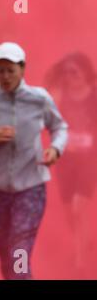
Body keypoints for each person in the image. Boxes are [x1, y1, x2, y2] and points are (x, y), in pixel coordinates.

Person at [0, 42, 68, 279]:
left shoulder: (39, 98)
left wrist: (55, 150)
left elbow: (60, 127)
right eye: (0, 71)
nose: (6, 76)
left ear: (22, 68)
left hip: (31, 188)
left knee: (19, 251)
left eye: (11, 70)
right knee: (7, 257)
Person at [45, 52, 97, 277]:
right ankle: (83, 238)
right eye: (66, 73)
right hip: (66, 159)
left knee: (78, 206)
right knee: (70, 211)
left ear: (85, 72)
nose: (70, 77)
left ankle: (79, 259)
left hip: (89, 159)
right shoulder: (60, 95)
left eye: (74, 72)